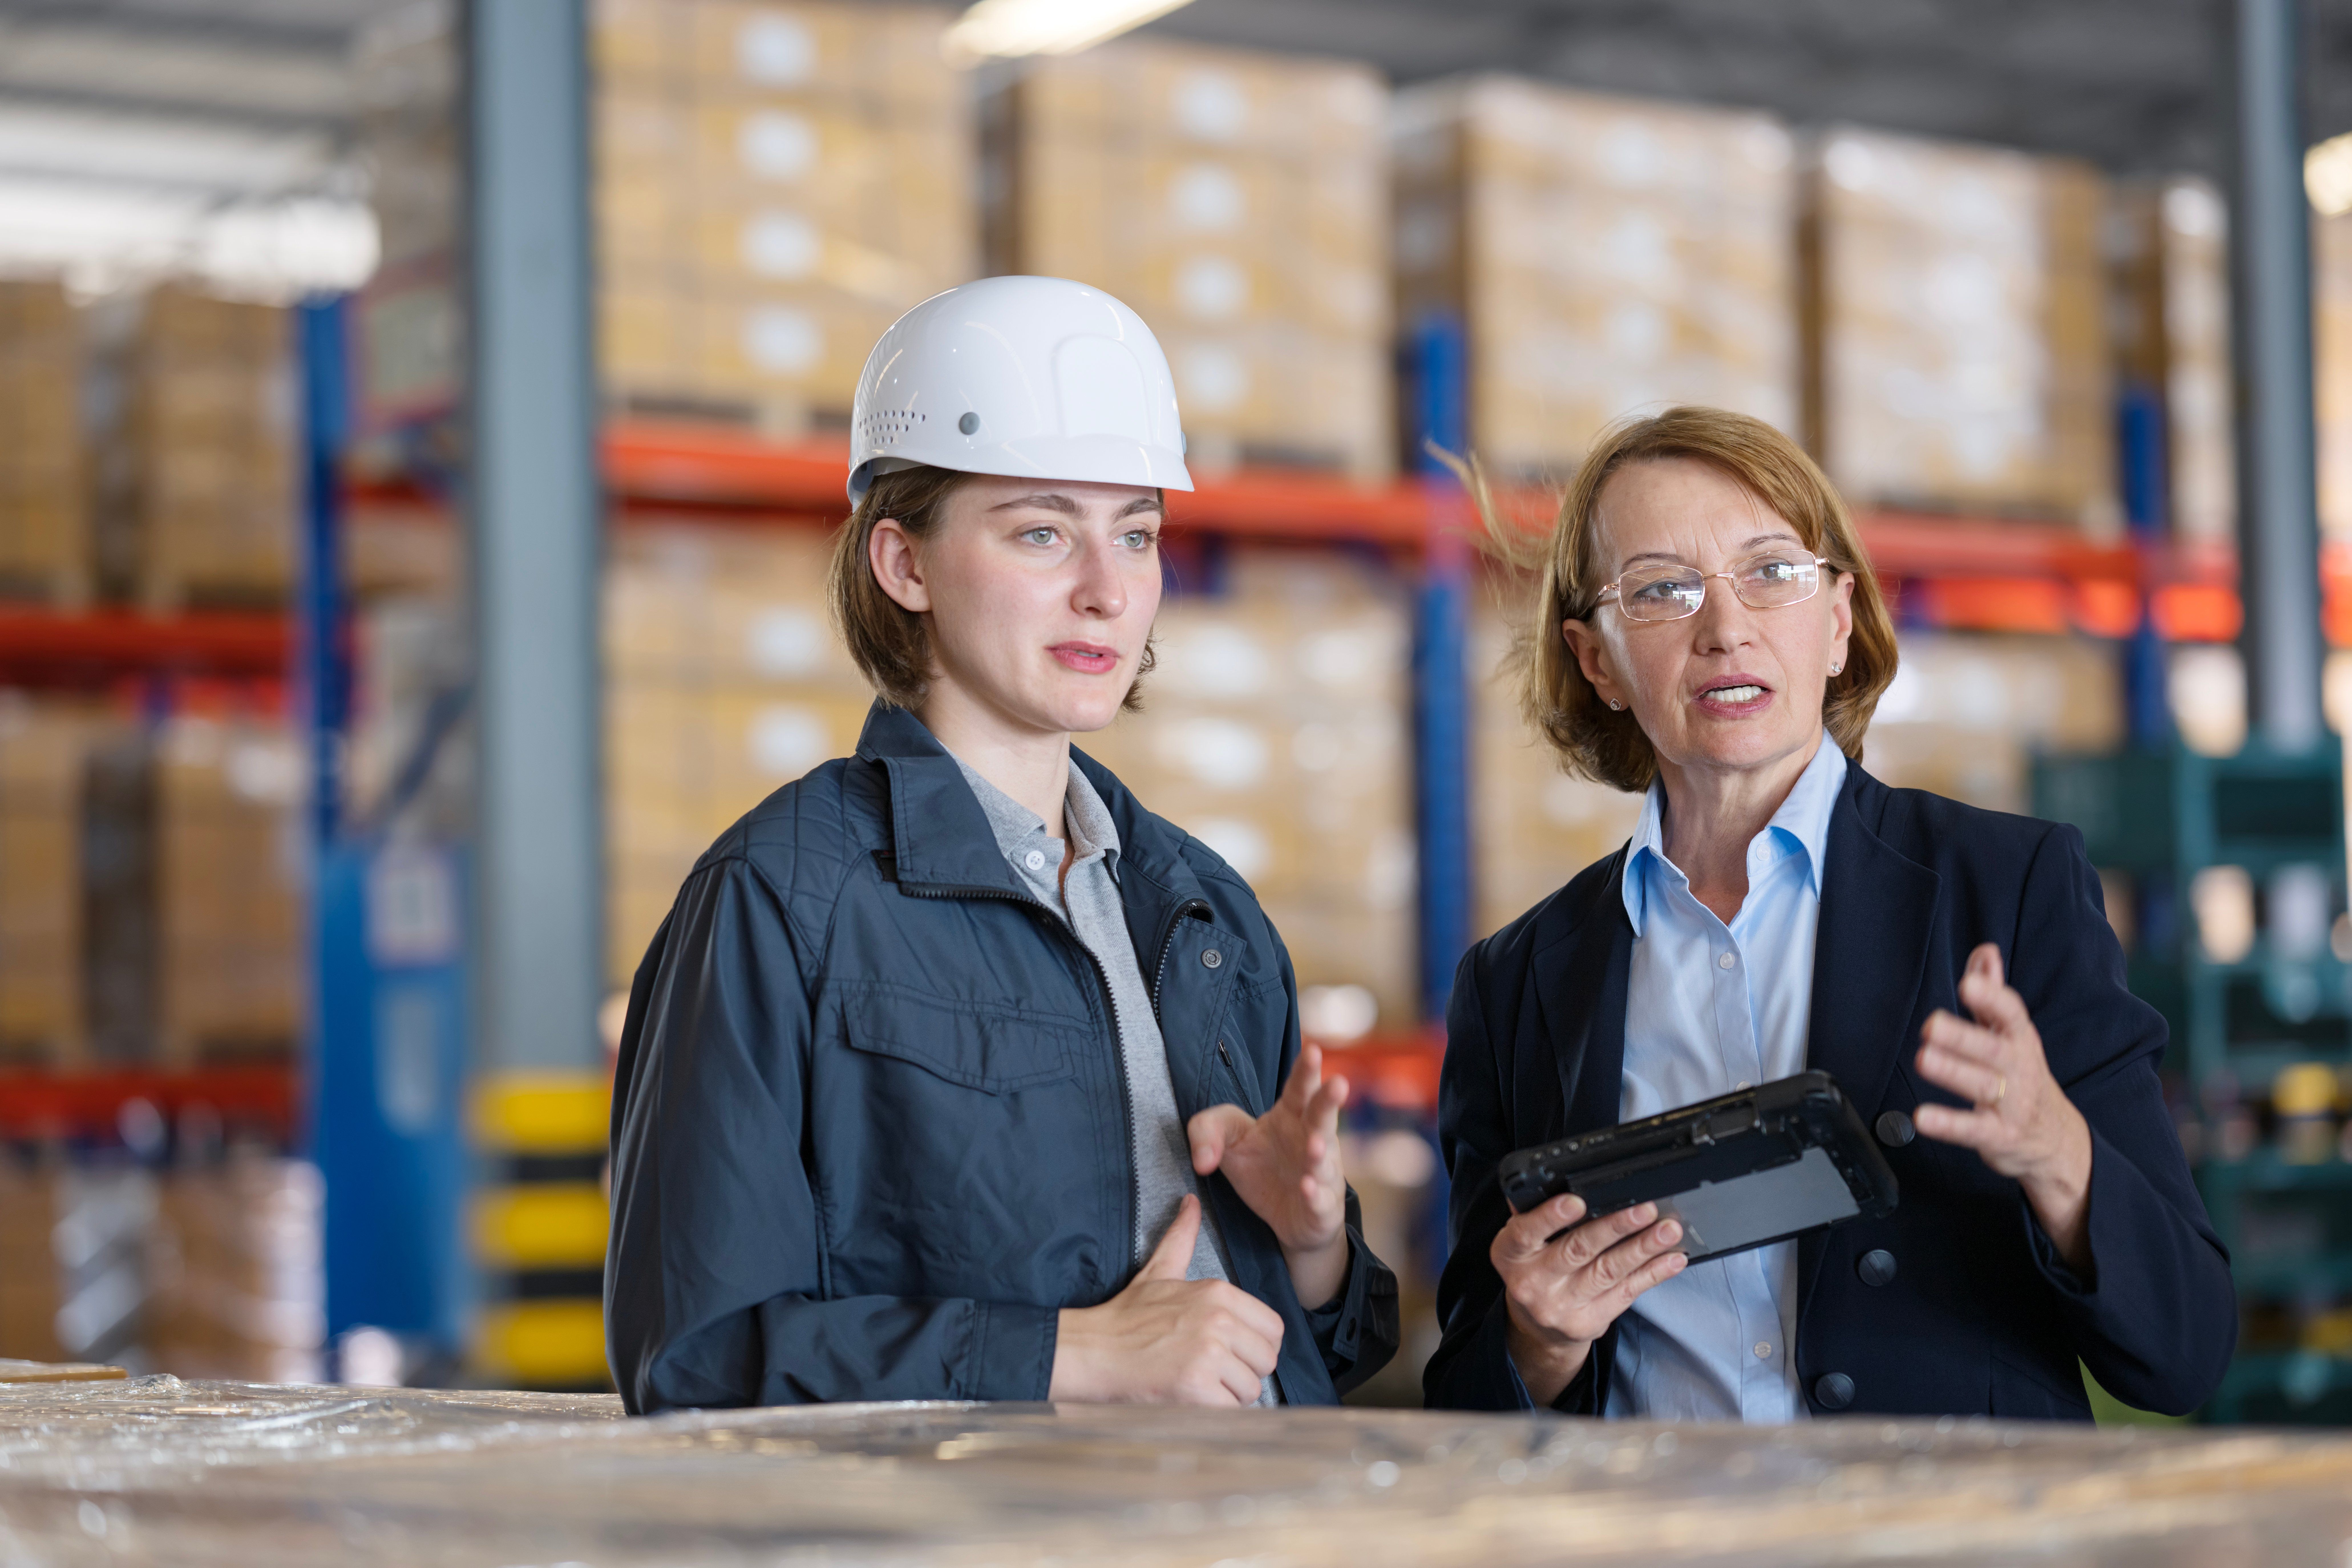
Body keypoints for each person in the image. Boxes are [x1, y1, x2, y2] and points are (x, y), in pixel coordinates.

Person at [605, 276, 1399, 1413]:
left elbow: (1336, 1344)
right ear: (905, 565)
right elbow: (692, 1353)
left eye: (1136, 534)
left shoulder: (1201, 905)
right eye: (1041, 531)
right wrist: (1069, 1356)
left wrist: (1310, 1238)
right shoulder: (780, 899)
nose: (1105, 591)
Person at [1422, 406, 2235, 1421]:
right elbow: (1463, 1399)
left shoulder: (2008, 888)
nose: (1727, 630)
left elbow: (2189, 1349)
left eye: (1772, 573)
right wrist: (1533, 1340)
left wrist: (2055, 1150)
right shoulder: (1517, 983)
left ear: (1840, 619)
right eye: (1664, 590)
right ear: (1599, 663)